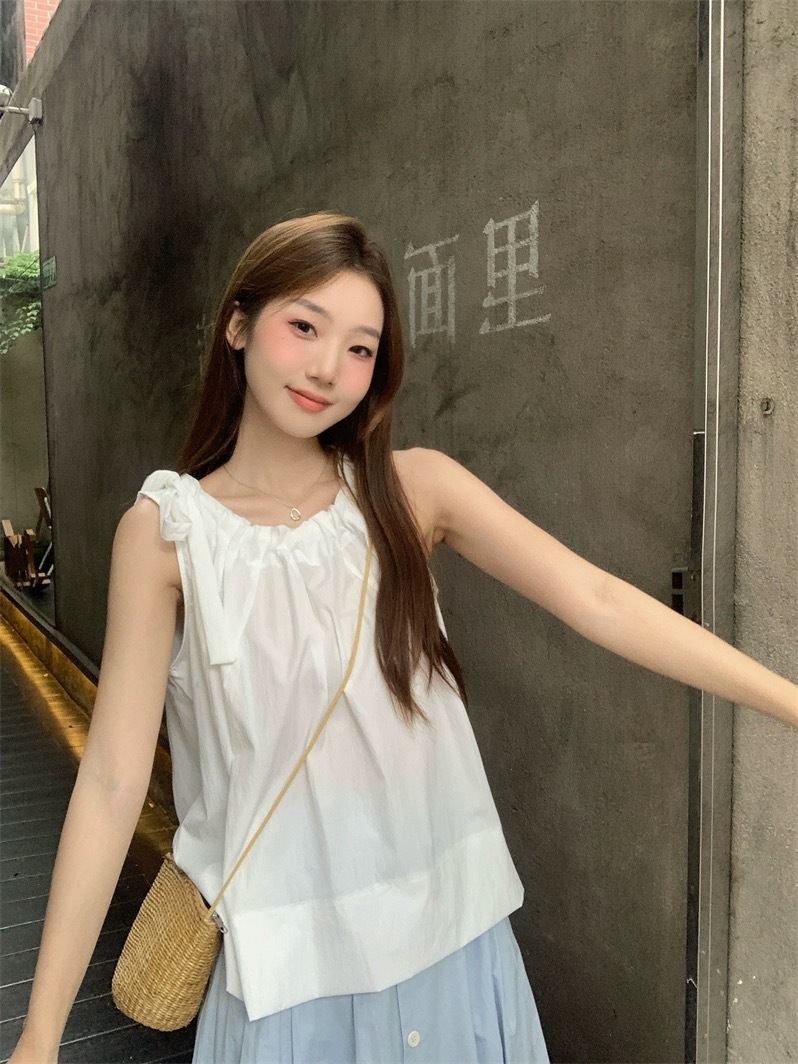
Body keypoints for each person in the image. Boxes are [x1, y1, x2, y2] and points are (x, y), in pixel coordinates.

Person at [9, 211, 797, 1064]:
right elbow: (113, 780)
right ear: (238, 325)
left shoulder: (411, 492)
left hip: (453, 950)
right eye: (304, 326)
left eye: (360, 347)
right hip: (288, 981)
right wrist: (40, 1037)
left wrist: (788, 702)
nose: (328, 368)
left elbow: (597, 599)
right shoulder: (169, 533)